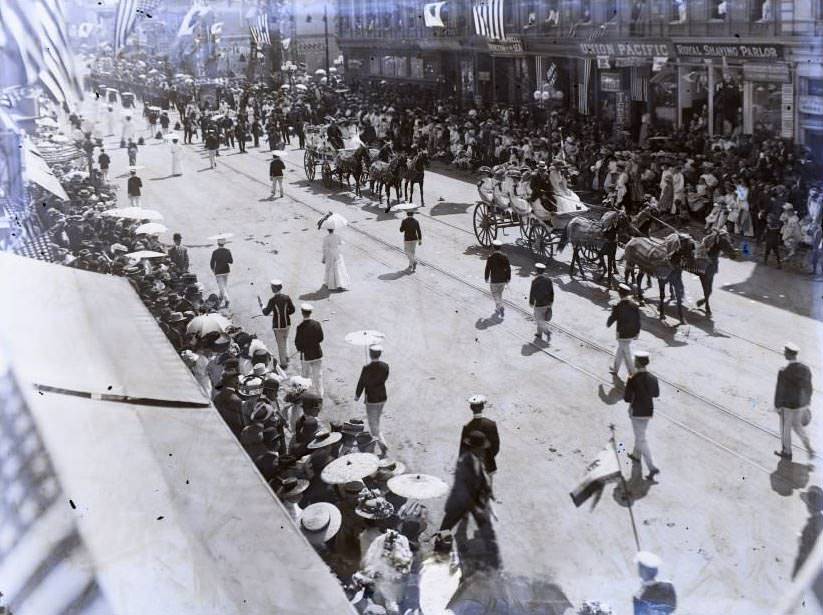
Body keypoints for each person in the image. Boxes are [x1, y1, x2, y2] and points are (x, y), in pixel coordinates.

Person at [438, 431, 499, 570]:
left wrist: (488, 491)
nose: (483, 450)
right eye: (481, 448)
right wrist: (475, 506)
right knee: (445, 529)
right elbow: (464, 489)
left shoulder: (477, 458)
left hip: (473, 500)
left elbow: (482, 476)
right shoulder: (464, 463)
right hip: (461, 502)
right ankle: (439, 554)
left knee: (485, 527)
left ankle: (491, 556)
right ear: (475, 448)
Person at [623, 351, 660, 480]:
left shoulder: (632, 378)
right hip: (648, 411)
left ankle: (652, 467)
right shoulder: (653, 378)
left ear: (637, 363)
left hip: (636, 412)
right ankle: (636, 455)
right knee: (640, 434)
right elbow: (656, 394)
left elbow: (627, 398)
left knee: (641, 439)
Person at [774, 342, 814, 460]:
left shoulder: (783, 371)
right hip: (801, 405)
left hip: (788, 407)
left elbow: (780, 391)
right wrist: (807, 403)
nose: (784, 354)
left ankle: (787, 452)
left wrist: (777, 406)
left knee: (785, 429)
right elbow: (809, 387)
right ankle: (809, 448)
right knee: (798, 427)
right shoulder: (805, 369)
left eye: (785, 352)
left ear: (789, 354)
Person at [355, 345, 390, 456]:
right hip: (382, 397)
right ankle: (378, 440)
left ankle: (382, 443)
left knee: (373, 424)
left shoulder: (367, 368)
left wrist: (357, 395)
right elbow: (383, 379)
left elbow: (362, 382)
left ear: (370, 354)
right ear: (380, 353)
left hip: (372, 399)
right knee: (377, 421)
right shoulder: (386, 366)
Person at [458, 395, 500, 479]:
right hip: (488, 465)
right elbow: (496, 446)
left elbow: (462, 451)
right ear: (483, 407)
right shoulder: (491, 424)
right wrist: (489, 458)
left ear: (471, 408)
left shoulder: (467, 427)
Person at [259, 279, 296, 369]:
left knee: (280, 344)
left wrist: (261, 305)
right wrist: (285, 314)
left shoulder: (272, 300)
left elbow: (266, 312)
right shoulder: (286, 297)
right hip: (287, 323)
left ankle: (283, 364)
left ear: (274, 289)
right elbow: (292, 310)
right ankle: (286, 357)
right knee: (286, 340)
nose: (271, 288)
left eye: (272, 287)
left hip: (278, 325)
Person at [608, 283, 641, 377]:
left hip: (623, 334)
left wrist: (609, 321)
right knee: (620, 351)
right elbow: (638, 320)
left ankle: (633, 372)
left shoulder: (619, 306)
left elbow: (612, 319)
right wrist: (637, 332)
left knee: (627, 354)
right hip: (632, 333)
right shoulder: (635, 305)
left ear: (620, 294)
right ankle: (615, 369)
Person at [295, 303, 324, 397]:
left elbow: (297, 343)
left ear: (302, 313)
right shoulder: (317, 324)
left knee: (304, 376)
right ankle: (320, 395)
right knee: (318, 376)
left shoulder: (300, 327)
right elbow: (321, 338)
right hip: (317, 354)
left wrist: (300, 348)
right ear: (310, 312)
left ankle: (305, 394)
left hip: (306, 355)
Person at [484, 239, 510, 318]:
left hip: (494, 280)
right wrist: (508, 278)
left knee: (495, 294)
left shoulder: (490, 257)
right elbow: (508, 268)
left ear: (493, 247)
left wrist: (486, 278)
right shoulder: (505, 257)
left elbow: (487, 269)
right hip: (503, 280)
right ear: (500, 247)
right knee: (499, 293)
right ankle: (499, 306)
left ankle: (499, 306)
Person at [528, 262, 554, 342]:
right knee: (541, 318)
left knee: (539, 319)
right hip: (547, 303)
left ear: (536, 271)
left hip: (539, 304)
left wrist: (531, 302)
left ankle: (543, 332)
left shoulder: (535, 281)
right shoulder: (548, 280)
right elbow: (551, 292)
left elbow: (532, 293)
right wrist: (551, 302)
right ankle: (541, 332)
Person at [209, 237, 233, 308]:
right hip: (226, 271)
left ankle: (227, 300)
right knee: (223, 287)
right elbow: (231, 261)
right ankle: (220, 299)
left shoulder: (215, 252)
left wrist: (213, 270)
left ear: (217, 243)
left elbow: (212, 263)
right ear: (224, 243)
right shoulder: (228, 251)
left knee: (222, 287)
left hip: (218, 271)